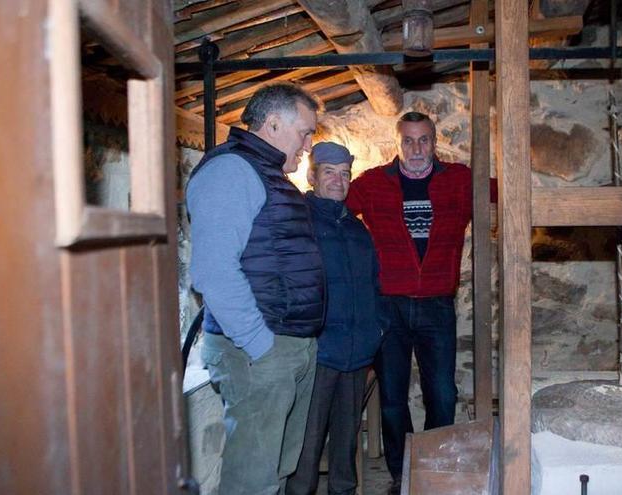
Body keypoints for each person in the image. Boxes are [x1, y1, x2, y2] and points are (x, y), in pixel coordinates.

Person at [187, 83, 324, 495]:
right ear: (273, 123)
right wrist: (260, 345)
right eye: (305, 132)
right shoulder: (231, 171)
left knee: (274, 472)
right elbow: (213, 272)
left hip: (286, 344)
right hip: (258, 349)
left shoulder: (269, 175)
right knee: (252, 481)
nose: (308, 144)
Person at [346, 111, 473, 493]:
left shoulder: (460, 180)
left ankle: (432, 469)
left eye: (424, 140)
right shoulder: (372, 183)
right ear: (397, 144)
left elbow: (506, 191)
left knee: (442, 393)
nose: (416, 149)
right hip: (389, 306)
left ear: (435, 142)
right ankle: (403, 474)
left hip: (437, 304)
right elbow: (333, 209)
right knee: (392, 398)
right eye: (408, 141)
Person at [286, 142, 382, 495]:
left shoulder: (358, 230)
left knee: (346, 445)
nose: (338, 181)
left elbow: (374, 286)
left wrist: (377, 333)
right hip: (318, 354)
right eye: (329, 172)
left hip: (356, 355)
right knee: (306, 447)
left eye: (345, 174)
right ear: (312, 176)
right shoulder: (300, 223)